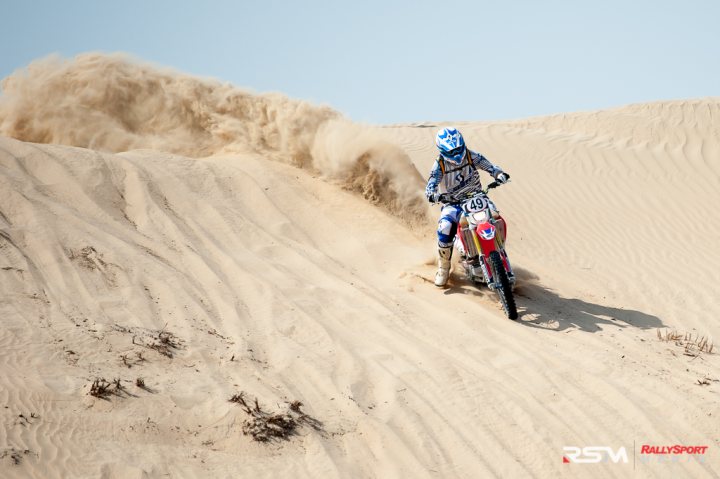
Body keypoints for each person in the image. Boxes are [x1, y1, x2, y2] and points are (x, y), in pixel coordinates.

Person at [425, 127, 510, 287]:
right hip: (453, 203)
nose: (457, 154)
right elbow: (430, 185)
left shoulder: (472, 155)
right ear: (442, 150)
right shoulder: (439, 166)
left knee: (495, 216)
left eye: (458, 148)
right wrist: (432, 195)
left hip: (478, 197)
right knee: (445, 228)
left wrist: (499, 174)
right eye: (452, 151)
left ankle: (498, 252)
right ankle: (443, 268)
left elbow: (489, 166)